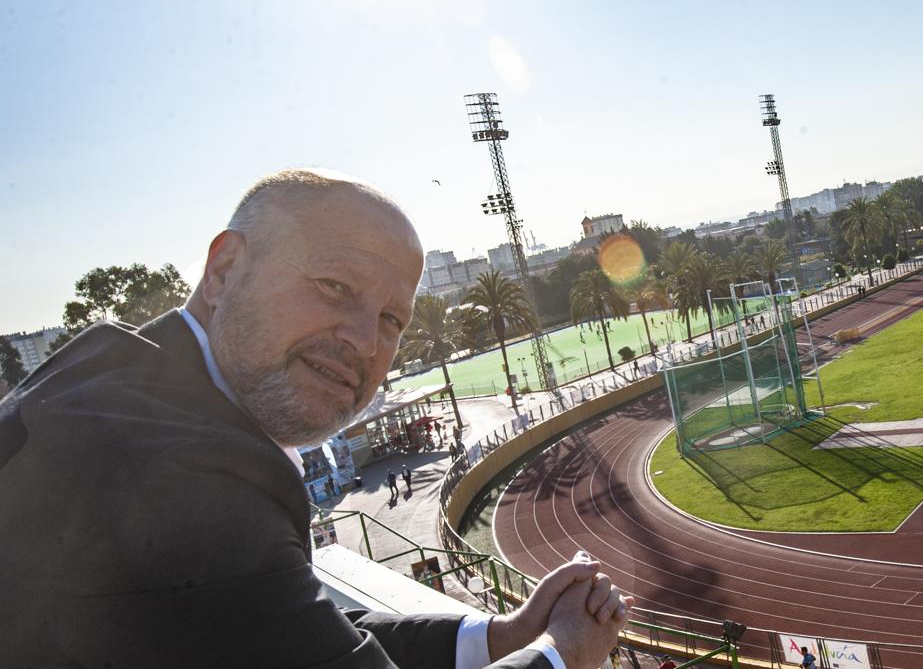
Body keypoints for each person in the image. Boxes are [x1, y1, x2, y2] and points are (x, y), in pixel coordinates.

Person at [0, 168, 633, 667]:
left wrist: (501, 636)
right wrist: (564, 651)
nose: (364, 340)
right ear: (224, 270)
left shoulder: (113, 374)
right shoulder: (182, 479)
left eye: (392, 321)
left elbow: (293, 632)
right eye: (335, 286)